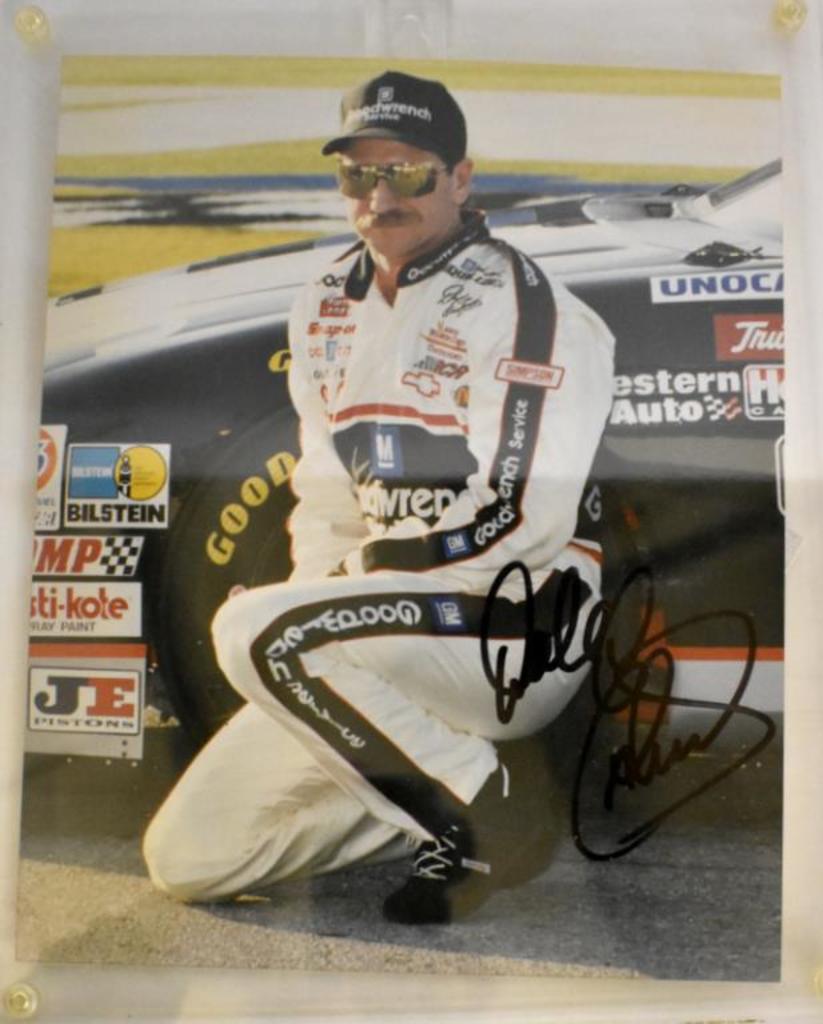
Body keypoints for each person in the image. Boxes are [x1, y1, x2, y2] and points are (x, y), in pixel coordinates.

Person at [143, 70, 615, 925]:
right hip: (387, 627)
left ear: (460, 179)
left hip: (512, 624)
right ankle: (438, 790)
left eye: (407, 172)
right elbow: (325, 497)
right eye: (358, 174)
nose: (380, 195)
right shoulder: (323, 303)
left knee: (256, 628)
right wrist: (323, 590)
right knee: (191, 858)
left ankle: (491, 815)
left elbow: (523, 518)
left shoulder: (526, 308)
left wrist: (337, 588)